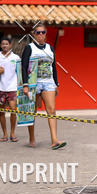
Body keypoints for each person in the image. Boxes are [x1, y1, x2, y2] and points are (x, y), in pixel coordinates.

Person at [22, 22, 66, 150]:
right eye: (38, 32)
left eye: (43, 32)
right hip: (33, 83)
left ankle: (54, 140)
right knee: (32, 111)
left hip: (48, 82)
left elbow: (54, 66)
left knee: (51, 110)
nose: (40, 35)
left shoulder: (50, 48)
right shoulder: (29, 48)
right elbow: (24, 67)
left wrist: (56, 83)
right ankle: (32, 138)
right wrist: (25, 85)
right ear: (34, 34)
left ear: (46, 34)